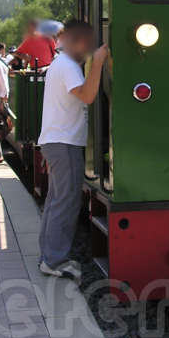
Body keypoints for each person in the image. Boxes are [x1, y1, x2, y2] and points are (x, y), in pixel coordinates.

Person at [37, 20, 108, 281]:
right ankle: (54, 260)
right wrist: (99, 62)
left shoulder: (61, 64)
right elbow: (88, 96)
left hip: (57, 142)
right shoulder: (67, 66)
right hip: (64, 143)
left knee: (57, 200)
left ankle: (48, 256)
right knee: (65, 202)